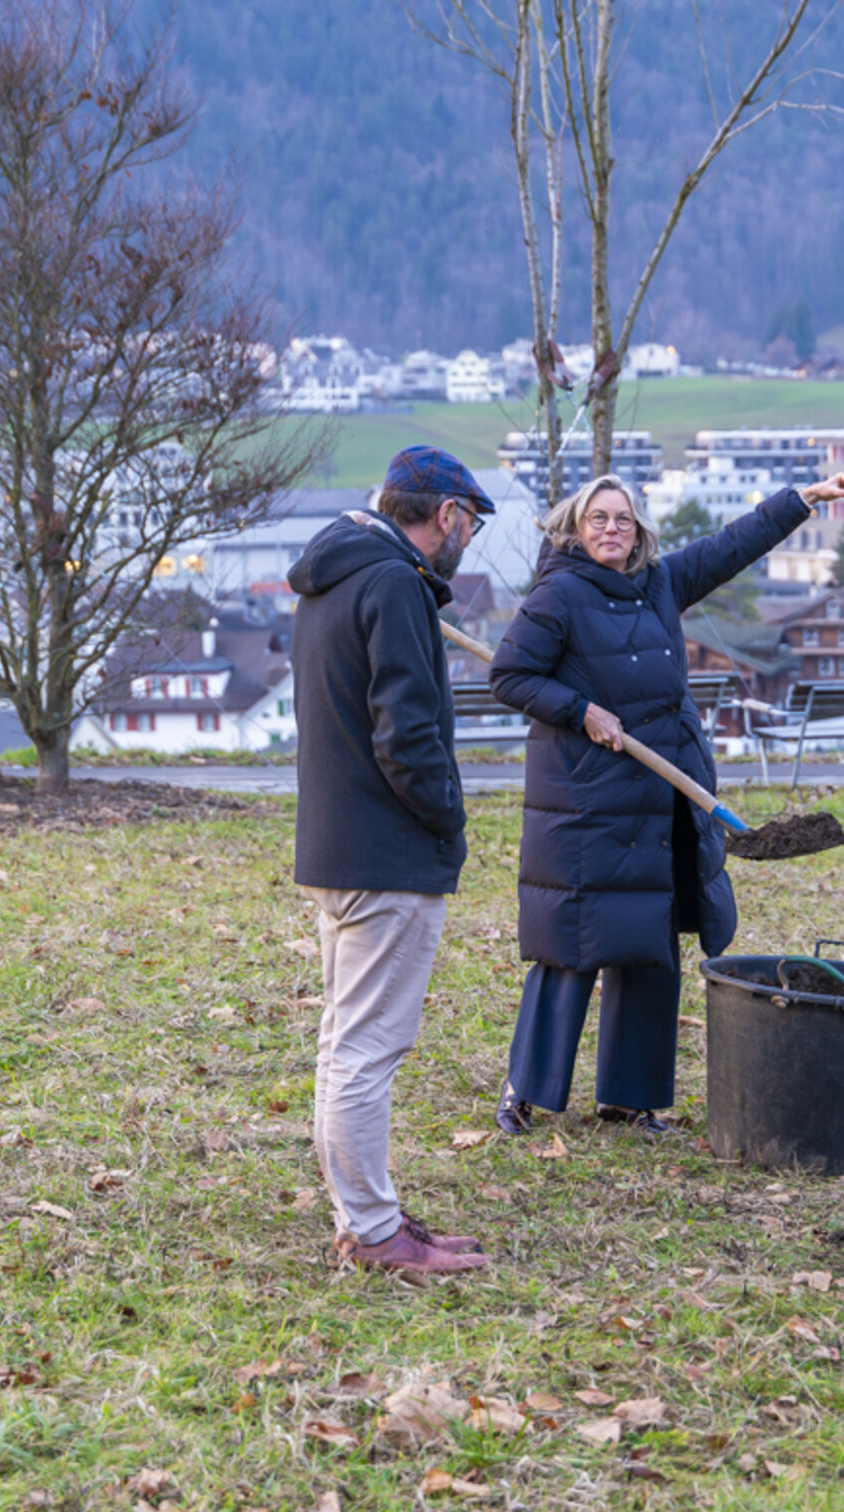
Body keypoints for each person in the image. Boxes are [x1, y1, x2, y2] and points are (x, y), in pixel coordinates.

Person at [487, 469, 844, 1136]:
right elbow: (510, 675)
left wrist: (802, 500)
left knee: (650, 941)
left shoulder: (659, 582)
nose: (611, 529)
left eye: (623, 519)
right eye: (598, 518)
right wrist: (580, 710)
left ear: (639, 532)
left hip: (661, 795)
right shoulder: (558, 595)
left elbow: (730, 545)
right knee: (572, 944)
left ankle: (629, 1098)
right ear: (577, 528)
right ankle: (526, 1091)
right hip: (586, 798)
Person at [288, 445, 495, 1277]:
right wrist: (448, 818)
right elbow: (406, 737)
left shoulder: (332, 578)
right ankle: (374, 1234)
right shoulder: (395, 584)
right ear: (446, 515)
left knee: (345, 1045)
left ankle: (364, 1215)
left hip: (337, 847)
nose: (468, 540)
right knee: (366, 1051)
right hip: (388, 855)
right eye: (470, 523)